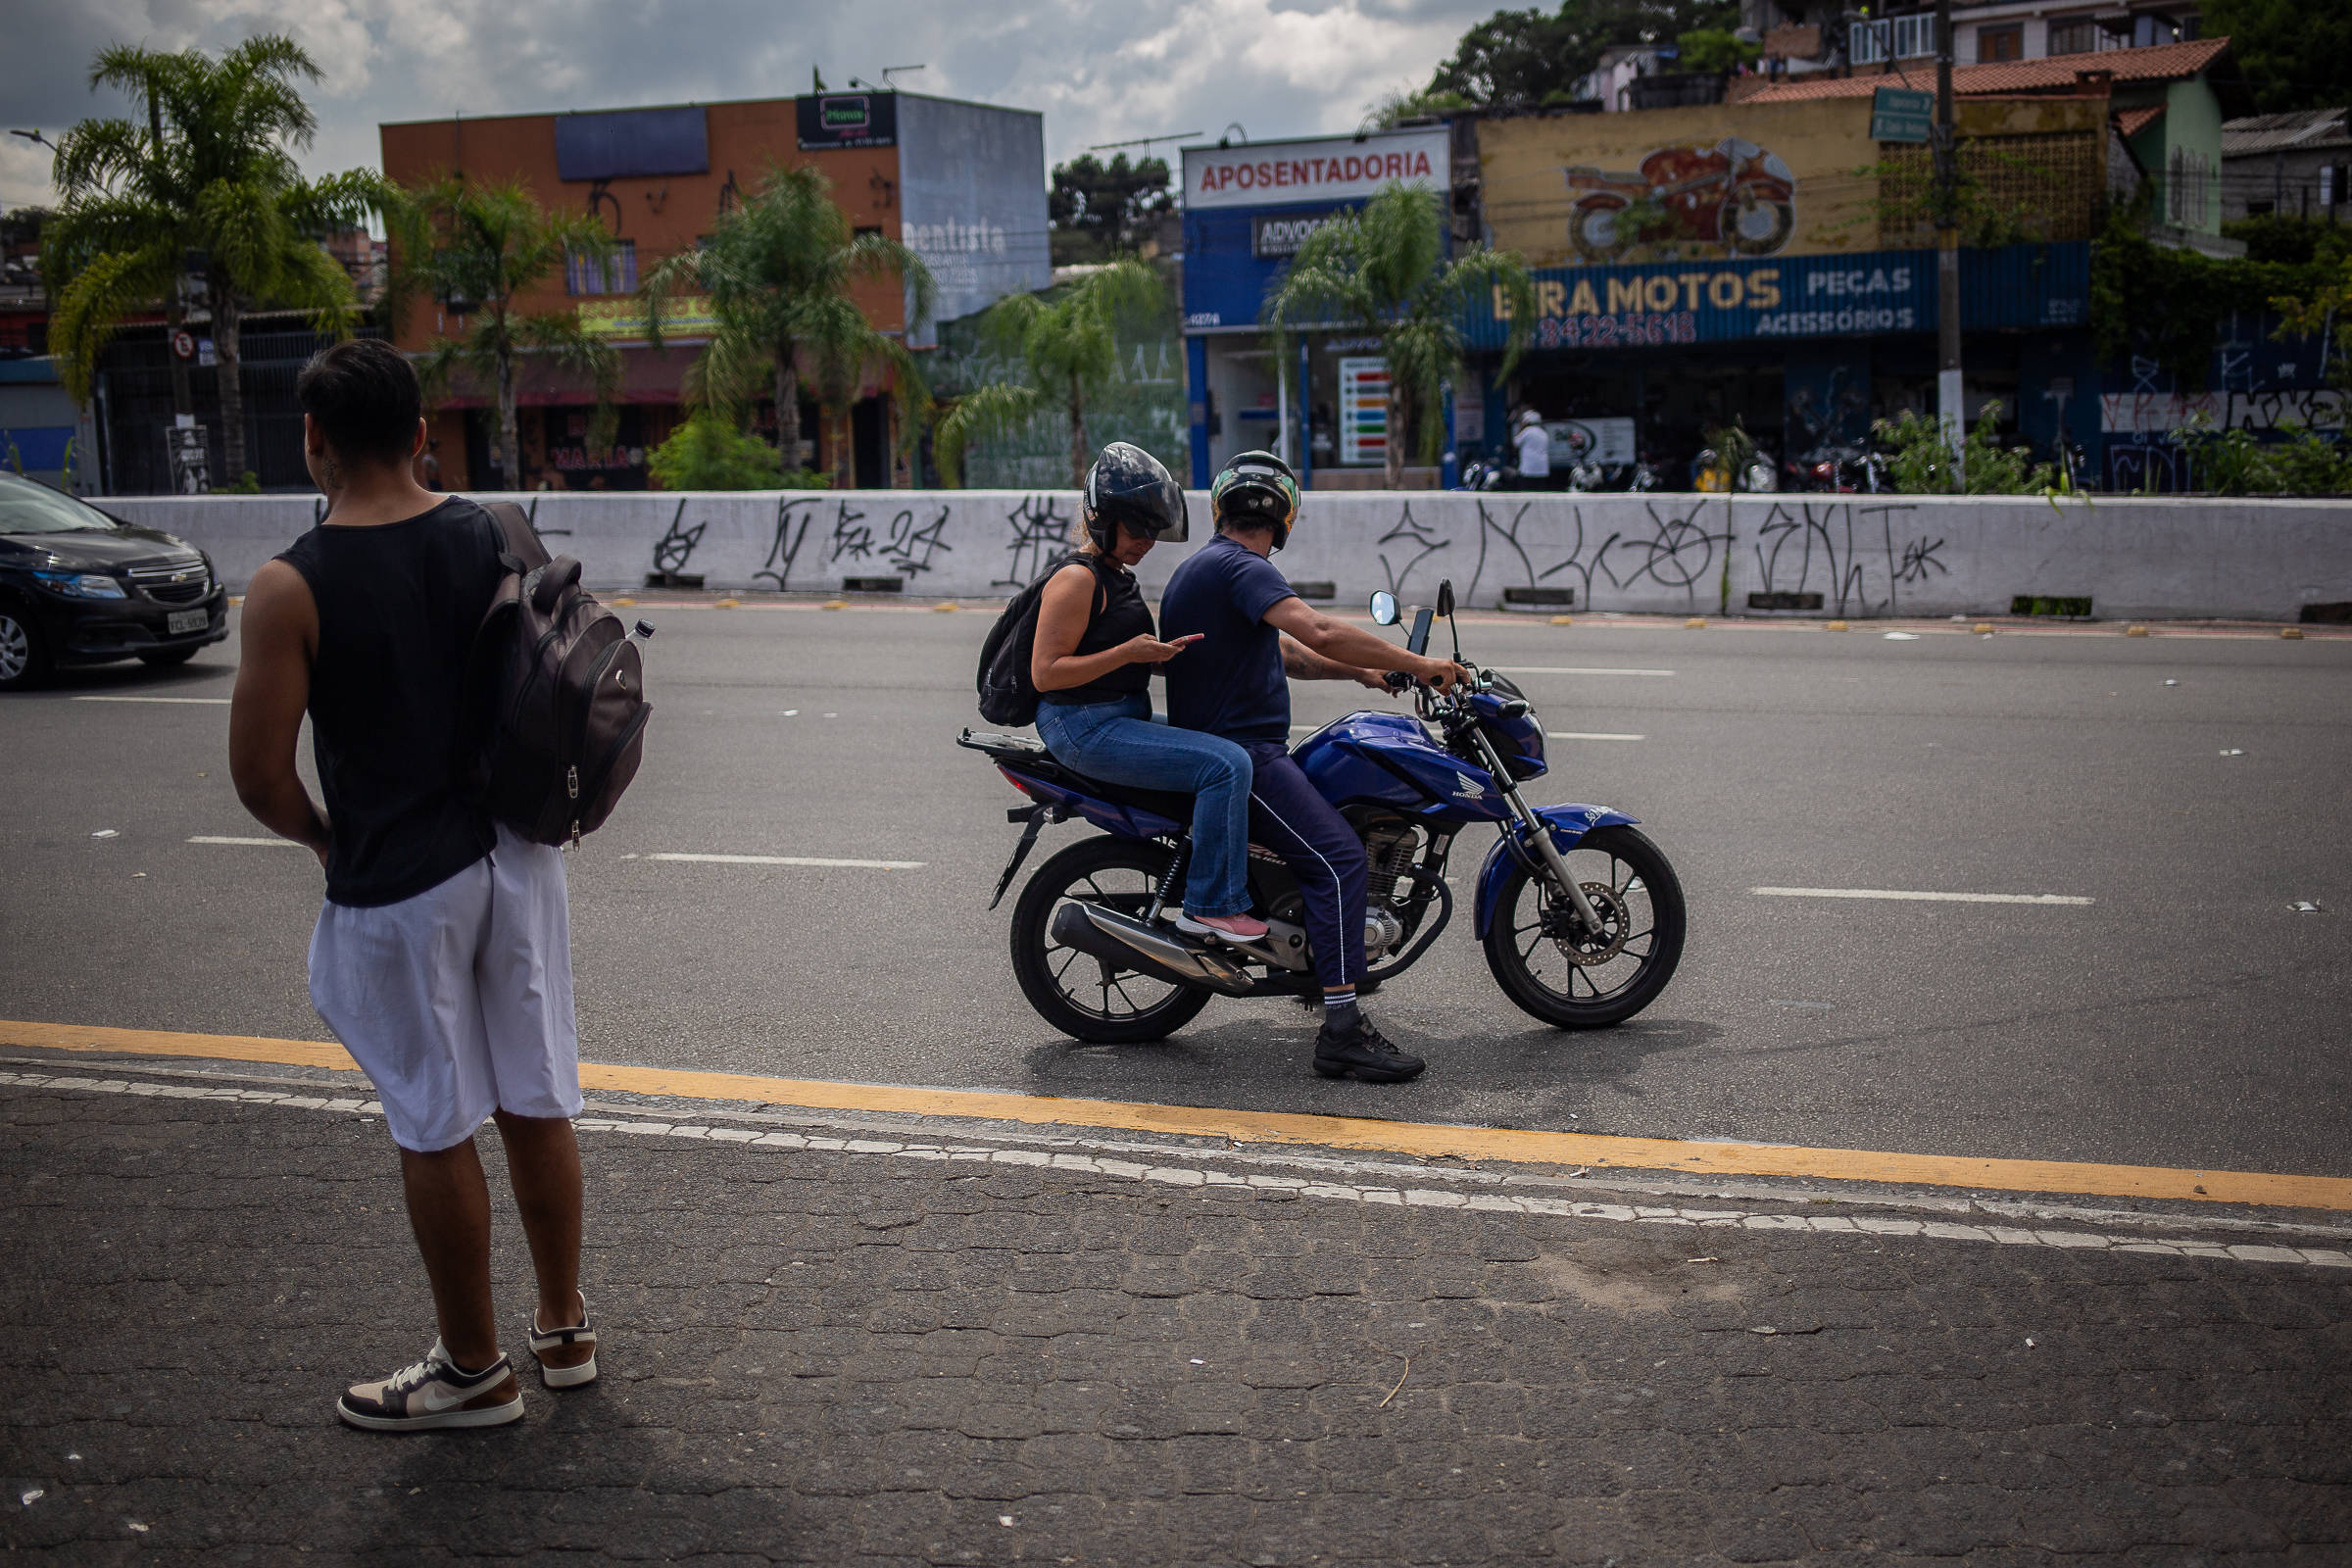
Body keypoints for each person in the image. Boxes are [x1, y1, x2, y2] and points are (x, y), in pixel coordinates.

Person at [228, 338, 595, 1433]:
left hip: (400, 877)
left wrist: (325, 840)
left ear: (315, 440)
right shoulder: (492, 533)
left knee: (435, 1120)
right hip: (518, 860)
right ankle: (564, 1328)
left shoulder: (291, 585)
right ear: (423, 432)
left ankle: (475, 1371)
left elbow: (258, 775)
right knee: (537, 1093)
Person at [1159, 451, 1466, 1084]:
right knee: (1340, 860)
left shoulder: (1212, 568)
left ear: (1224, 505)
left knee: (1335, 831)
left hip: (1240, 749)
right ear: (1283, 516)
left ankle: (1321, 964)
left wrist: (1362, 672)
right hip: (1246, 756)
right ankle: (1343, 1033)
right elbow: (1320, 630)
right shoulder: (1243, 569)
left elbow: (1293, 655)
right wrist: (1419, 666)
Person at [1032, 444, 1265, 941]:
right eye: (1137, 529)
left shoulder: (1116, 577)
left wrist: (1165, 656)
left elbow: (1116, 657)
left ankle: (1201, 868)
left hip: (1113, 715)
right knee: (1225, 764)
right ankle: (1209, 905)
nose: (1147, 542)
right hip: (1083, 726)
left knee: (1223, 743)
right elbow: (1047, 674)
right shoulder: (1077, 579)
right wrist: (1126, 655)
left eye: (1154, 532)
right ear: (1102, 519)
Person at [1510, 409, 1553, 491]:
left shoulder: (1527, 431)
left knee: (1526, 492)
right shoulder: (1543, 433)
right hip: (1542, 469)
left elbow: (1515, 443)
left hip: (1528, 470)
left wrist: (1520, 429)